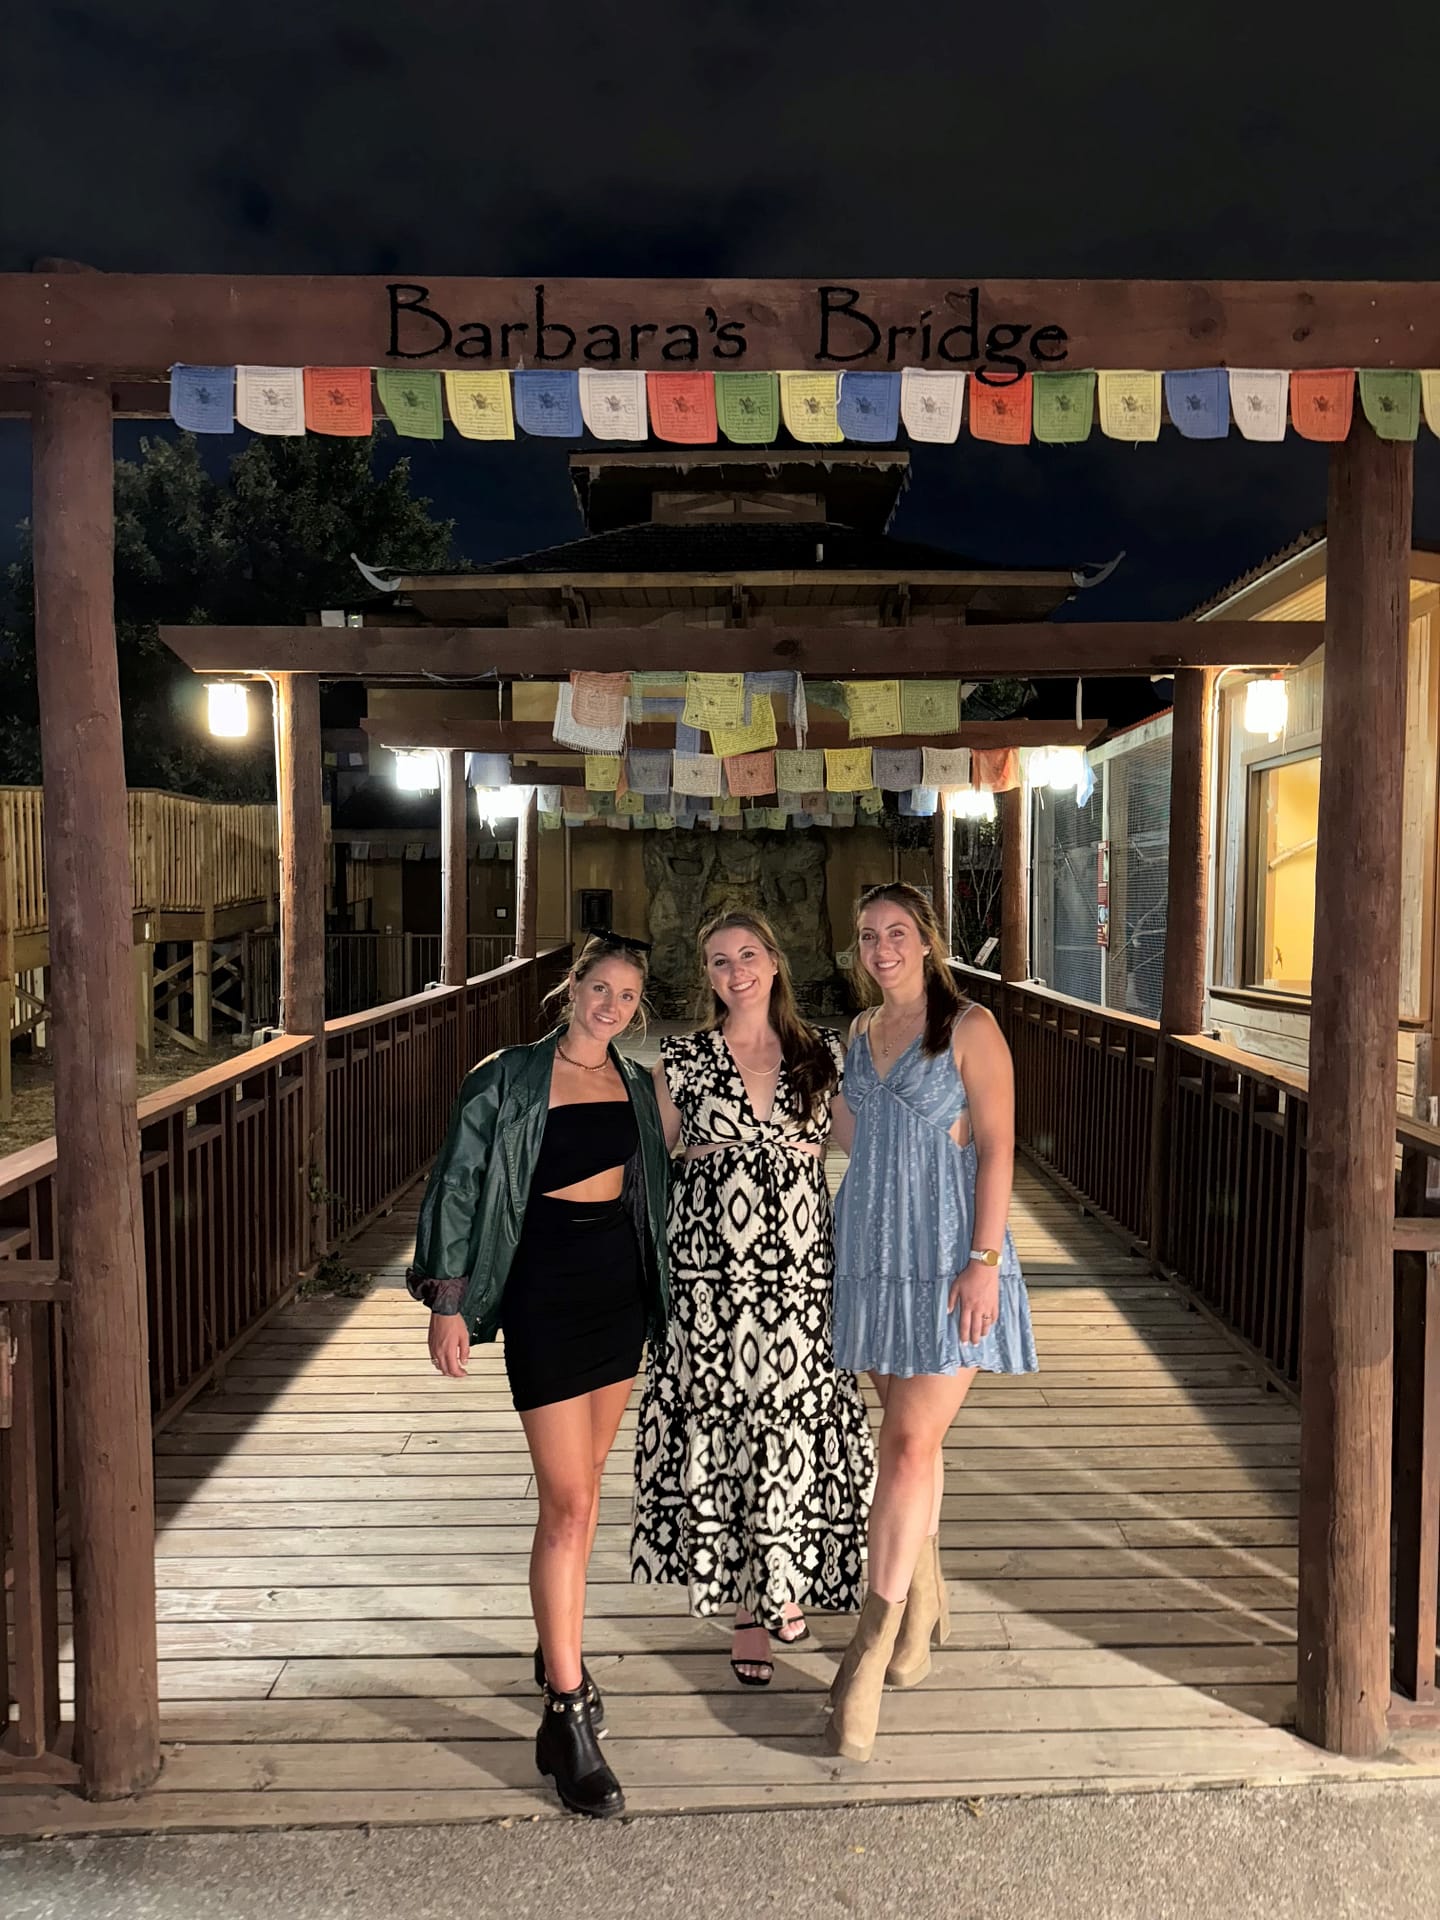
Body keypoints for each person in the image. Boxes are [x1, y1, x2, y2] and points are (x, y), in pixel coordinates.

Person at [408, 934, 670, 1820]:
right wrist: (448, 1300)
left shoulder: (635, 1085)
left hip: (619, 1295)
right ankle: (565, 1714)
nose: (613, 1006)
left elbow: (671, 1176)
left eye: (630, 996)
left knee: (587, 1493)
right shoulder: (509, 1077)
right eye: (601, 988)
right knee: (565, 1505)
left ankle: (559, 1650)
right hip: (546, 1295)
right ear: (572, 987)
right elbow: (457, 1184)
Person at [632, 910, 876, 1685]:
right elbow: (645, 1164)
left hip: (802, 1271)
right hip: (708, 1273)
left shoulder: (822, 1054)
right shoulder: (683, 1058)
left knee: (792, 1419)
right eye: (716, 962)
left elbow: (868, 1146)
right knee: (727, 1421)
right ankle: (747, 1610)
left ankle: (785, 1582)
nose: (734, 972)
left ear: (774, 961)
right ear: (706, 976)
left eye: (746, 956)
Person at [826, 883, 1037, 1762]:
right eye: (869, 935)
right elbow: (843, 1133)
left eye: (898, 933)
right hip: (872, 1249)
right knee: (910, 1439)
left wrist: (984, 1263)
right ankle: (927, 1596)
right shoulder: (856, 1035)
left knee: (909, 1445)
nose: (882, 948)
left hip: (951, 1255)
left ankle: (867, 1649)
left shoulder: (971, 1027)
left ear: (927, 941)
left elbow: (997, 1145)